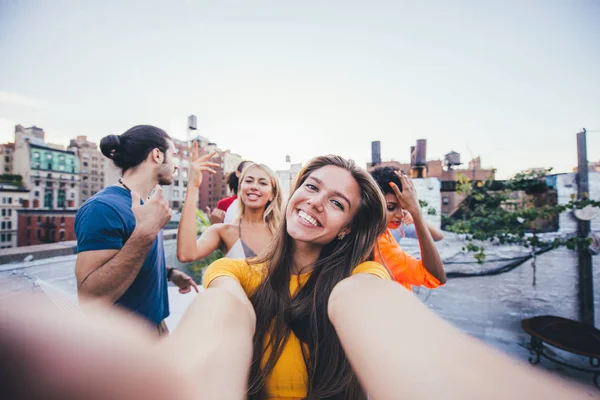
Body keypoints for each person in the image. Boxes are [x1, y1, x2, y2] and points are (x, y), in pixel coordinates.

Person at [204, 155, 391, 399]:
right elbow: (223, 307)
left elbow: (371, 299)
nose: (315, 202)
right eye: (312, 187)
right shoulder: (234, 271)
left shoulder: (362, 276)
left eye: (337, 203)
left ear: (347, 228)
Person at [74, 125, 201, 335]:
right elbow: (91, 298)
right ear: (157, 155)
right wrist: (147, 231)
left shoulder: (147, 205)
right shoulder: (102, 208)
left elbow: (130, 256)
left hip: (156, 326)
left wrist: (169, 273)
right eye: (174, 155)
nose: (177, 165)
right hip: (124, 345)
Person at [177, 142, 283, 262]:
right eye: (249, 181)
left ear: (272, 194)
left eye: (262, 183)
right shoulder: (222, 231)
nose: (254, 186)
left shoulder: (283, 231)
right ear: (240, 188)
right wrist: (192, 186)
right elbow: (186, 254)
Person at [370, 165, 446, 292]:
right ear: (373, 203)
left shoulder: (379, 230)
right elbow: (436, 277)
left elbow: (438, 236)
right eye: (391, 207)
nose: (400, 215)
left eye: (403, 208)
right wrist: (416, 213)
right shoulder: (379, 245)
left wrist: (415, 216)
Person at [206, 160, 253, 225]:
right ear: (238, 173)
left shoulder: (261, 201)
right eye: (247, 170)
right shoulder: (225, 203)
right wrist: (215, 223)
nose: (251, 174)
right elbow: (218, 230)